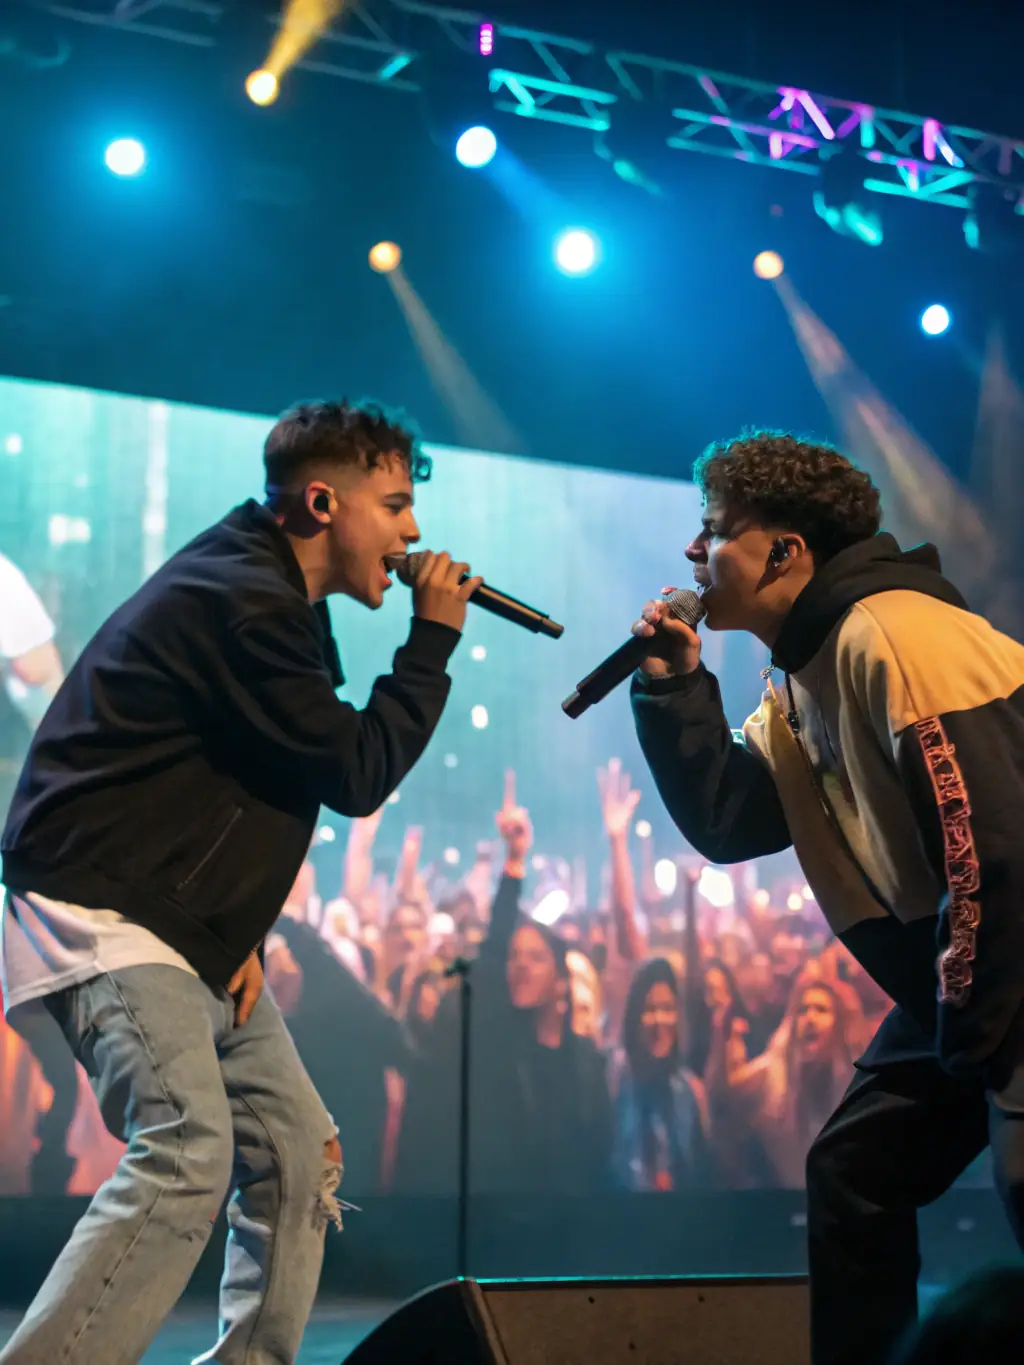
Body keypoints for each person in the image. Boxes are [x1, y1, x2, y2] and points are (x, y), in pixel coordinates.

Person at [0, 399, 482, 1365]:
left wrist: (239, 936)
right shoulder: (245, 600)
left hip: (179, 924)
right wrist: (432, 641)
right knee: (185, 1146)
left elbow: (237, 786)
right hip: (106, 905)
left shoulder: (276, 601)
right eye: (393, 505)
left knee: (299, 1158)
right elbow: (352, 770)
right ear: (320, 503)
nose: (415, 532)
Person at [628, 431, 1024, 1365]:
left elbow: (992, 854)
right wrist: (679, 689)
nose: (692, 552)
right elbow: (732, 818)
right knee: (855, 1171)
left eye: (712, 529)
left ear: (784, 552)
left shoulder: (897, 635)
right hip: (974, 984)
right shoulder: (804, 672)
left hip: (1006, 965)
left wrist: (973, 1033)